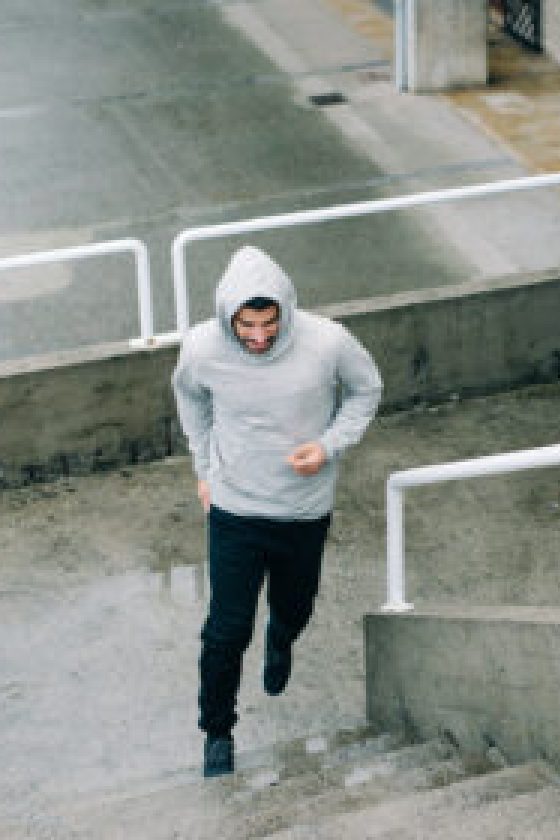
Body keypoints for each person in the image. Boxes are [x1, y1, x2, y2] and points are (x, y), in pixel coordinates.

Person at [172, 245, 382, 778]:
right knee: (225, 629)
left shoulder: (327, 342)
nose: (260, 337)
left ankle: (282, 636)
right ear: (228, 316)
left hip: (303, 511)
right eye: (247, 326)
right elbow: (191, 402)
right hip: (235, 507)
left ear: (285, 310)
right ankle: (217, 732)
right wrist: (204, 467)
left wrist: (330, 444)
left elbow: (366, 390)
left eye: (269, 324)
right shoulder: (200, 349)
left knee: (297, 606)